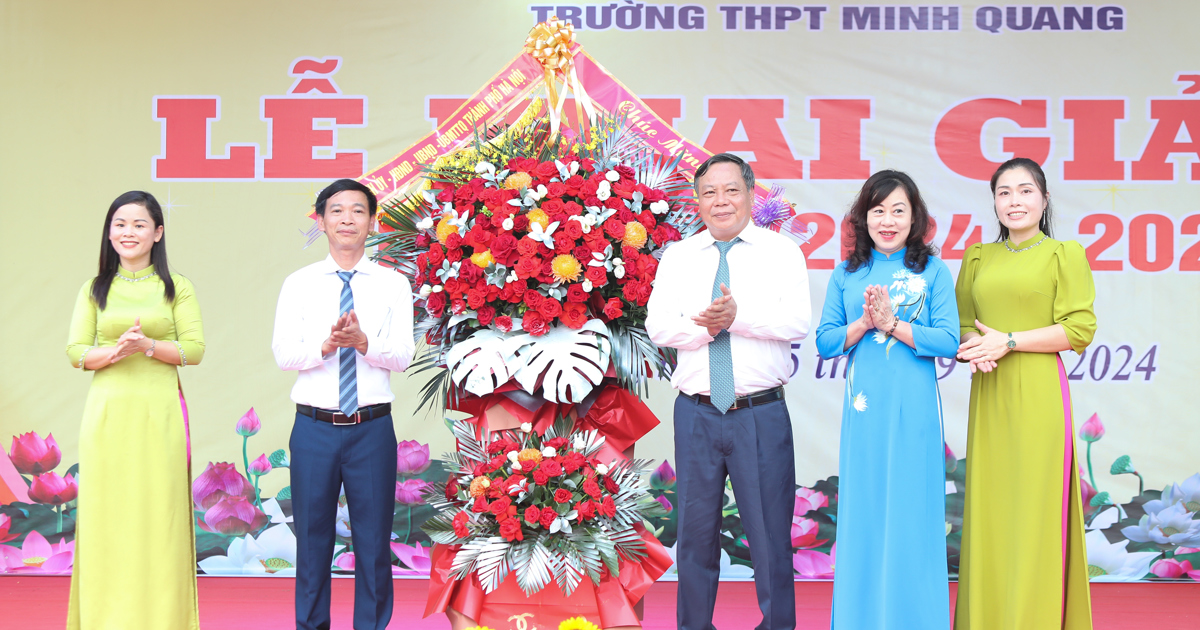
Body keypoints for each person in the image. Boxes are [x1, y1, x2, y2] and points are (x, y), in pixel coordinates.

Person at [646, 153, 810, 630]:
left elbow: (797, 321)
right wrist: (707, 327)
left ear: (751, 194)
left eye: (731, 190)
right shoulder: (678, 257)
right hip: (696, 413)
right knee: (695, 536)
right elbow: (659, 327)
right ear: (697, 202)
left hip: (759, 414)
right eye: (710, 192)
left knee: (769, 535)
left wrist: (738, 318)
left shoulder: (781, 252)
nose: (721, 201)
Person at [954, 158, 1095, 629]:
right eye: (1004, 193)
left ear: (1044, 199)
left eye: (1025, 191)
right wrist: (977, 349)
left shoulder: (1063, 253)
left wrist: (1009, 340)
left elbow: (1079, 328)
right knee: (992, 512)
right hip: (990, 391)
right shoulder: (977, 257)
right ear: (994, 202)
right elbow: (960, 328)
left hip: (1038, 394)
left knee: (1035, 510)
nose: (1014, 201)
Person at [815, 170, 958, 629]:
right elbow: (825, 342)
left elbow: (949, 340)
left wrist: (894, 324)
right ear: (863, 217)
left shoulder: (932, 271)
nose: (888, 220)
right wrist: (864, 323)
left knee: (914, 515)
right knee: (865, 513)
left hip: (915, 410)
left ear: (915, 218)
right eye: (878, 211)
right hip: (865, 414)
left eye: (899, 210)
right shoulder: (847, 273)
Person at [272, 179, 415, 630]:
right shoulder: (298, 284)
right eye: (337, 211)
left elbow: (403, 355)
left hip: (371, 428)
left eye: (358, 211)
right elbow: (284, 355)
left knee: (373, 544)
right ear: (321, 221)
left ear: (373, 222)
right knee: (312, 542)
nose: (347, 219)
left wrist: (365, 343)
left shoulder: (393, 284)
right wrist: (328, 346)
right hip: (314, 428)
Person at [65, 191, 205, 629]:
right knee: (107, 518)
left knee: (158, 517)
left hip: (159, 413)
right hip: (107, 415)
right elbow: (75, 352)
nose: (129, 232)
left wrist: (146, 346)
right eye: (120, 224)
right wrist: (115, 353)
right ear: (109, 232)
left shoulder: (176, 287)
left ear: (158, 233)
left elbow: (195, 350)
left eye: (139, 224)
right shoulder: (94, 288)